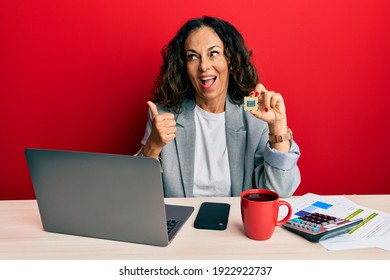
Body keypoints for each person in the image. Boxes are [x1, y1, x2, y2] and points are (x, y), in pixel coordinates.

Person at [137, 16, 300, 197]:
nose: (204, 66)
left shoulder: (254, 116)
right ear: (184, 67)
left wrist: (278, 127)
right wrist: (152, 147)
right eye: (193, 57)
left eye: (213, 53)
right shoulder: (162, 116)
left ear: (230, 59)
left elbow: (281, 191)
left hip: (236, 223)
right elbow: (137, 193)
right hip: (182, 223)